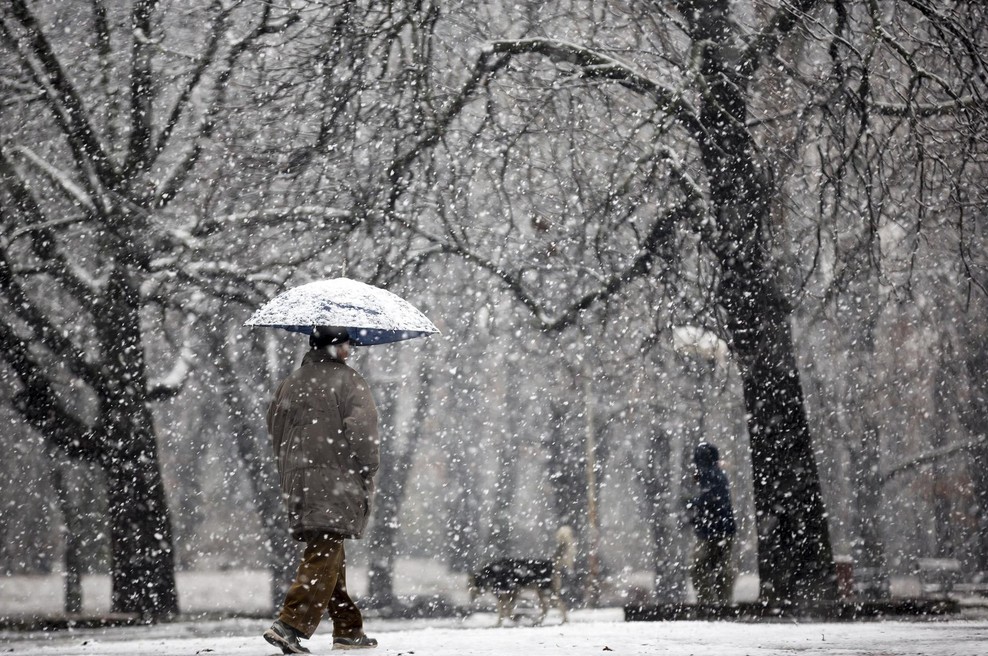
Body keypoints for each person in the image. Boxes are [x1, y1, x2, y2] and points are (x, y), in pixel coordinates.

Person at [263, 326, 380, 653]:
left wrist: (293, 467)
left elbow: (275, 428)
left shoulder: (290, 382)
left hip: (298, 481)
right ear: (334, 347)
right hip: (336, 480)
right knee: (325, 549)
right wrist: (367, 468)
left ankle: (348, 629)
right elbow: (364, 435)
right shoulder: (349, 381)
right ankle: (290, 624)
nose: (349, 350)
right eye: (346, 344)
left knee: (328, 548)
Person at [686, 442, 736, 605]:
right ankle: (723, 602)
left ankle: (708, 602)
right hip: (722, 530)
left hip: (711, 532)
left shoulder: (709, 475)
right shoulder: (716, 475)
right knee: (722, 566)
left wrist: (692, 504)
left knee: (699, 566)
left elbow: (710, 500)